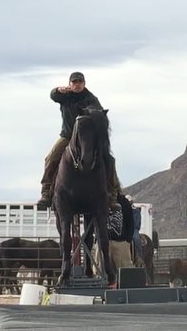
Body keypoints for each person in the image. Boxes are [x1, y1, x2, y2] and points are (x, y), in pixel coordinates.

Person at [36, 71, 119, 208]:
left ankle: (112, 195)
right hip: (67, 136)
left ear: (84, 83)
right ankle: (46, 193)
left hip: (87, 139)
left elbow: (99, 114)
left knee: (109, 160)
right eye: (74, 82)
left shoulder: (91, 99)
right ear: (69, 84)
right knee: (50, 158)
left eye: (80, 82)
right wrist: (57, 90)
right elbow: (53, 95)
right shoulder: (65, 97)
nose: (77, 85)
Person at [107, 193, 135, 271]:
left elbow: (131, 222)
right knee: (100, 271)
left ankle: (138, 258)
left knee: (125, 271)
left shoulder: (124, 201)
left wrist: (127, 241)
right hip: (103, 242)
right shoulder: (99, 199)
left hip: (121, 242)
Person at [126, 194, 143, 265]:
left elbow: (136, 223)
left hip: (133, 228)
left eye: (130, 202)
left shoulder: (135, 211)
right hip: (126, 228)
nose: (129, 203)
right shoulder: (123, 210)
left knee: (136, 239)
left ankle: (139, 257)